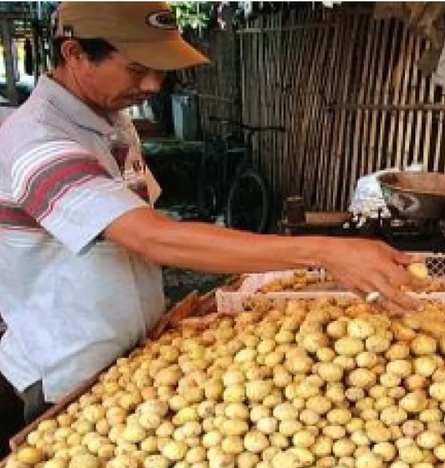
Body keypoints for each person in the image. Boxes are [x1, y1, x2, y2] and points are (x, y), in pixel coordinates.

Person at [0, 1, 420, 429]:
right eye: (136, 68)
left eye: (161, 70)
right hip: (65, 371)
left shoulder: (111, 121)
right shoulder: (40, 141)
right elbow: (153, 237)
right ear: (74, 54)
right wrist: (324, 251)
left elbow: (146, 225)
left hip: (128, 361)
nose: (152, 85)